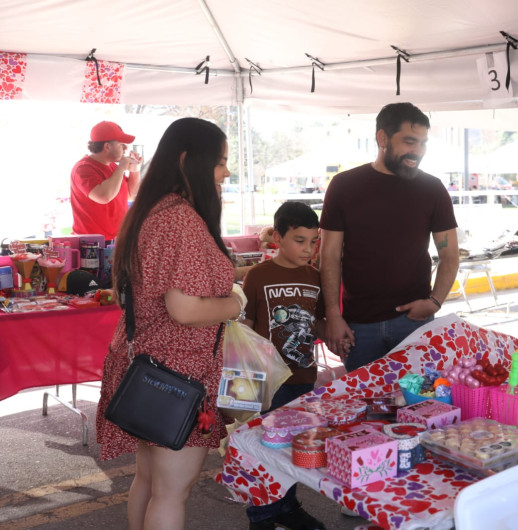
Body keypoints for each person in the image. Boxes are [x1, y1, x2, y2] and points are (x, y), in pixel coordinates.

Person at [96, 118, 246, 529]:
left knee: (150, 481)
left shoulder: (157, 209)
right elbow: (185, 309)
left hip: (153, 369)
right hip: (177, 376)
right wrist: (235, 303)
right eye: (219, 162)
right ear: (186, 160)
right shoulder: (179, 218)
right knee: (171, 491)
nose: (225, 172)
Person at [320, 102, 459, 372]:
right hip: (358, 325)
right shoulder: (344, 186)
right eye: (409, 141)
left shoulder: (432, 189)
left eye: (423, 143)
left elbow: (450, 254)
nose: (417, 151)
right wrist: (333, 315)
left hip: (414, 322)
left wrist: (434, 302)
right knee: (363, 398)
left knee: (418, 397)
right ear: (382, 138)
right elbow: (329, 256)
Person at [241, 201, 326, 530]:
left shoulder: (316, 277)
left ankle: (287, 507)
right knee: (265, 448)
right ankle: (261, 515)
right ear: (277, 237)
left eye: (313, 241)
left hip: (302, 376)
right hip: (268, 380)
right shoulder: (257, 276)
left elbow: (318, 323)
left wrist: (337, 334)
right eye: (299, 240)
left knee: (291, 447)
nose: (308, 249)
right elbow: (247, 325)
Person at [70, 121, 142, 240]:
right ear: (107, 146)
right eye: (121, 144)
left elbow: (130, 194)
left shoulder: (113, 167)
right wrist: (122, 168)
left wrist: (135, 170)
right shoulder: (83, 168)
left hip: (117, 239)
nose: (125, 149)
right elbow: (104, 197)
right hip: (92, 243)